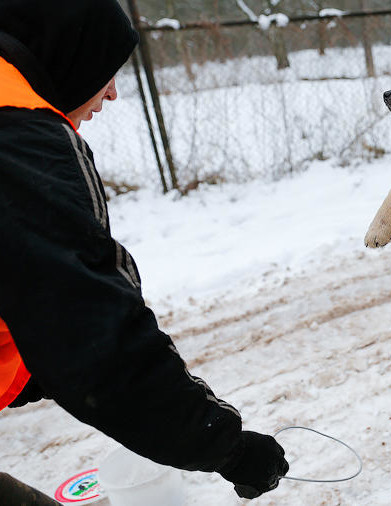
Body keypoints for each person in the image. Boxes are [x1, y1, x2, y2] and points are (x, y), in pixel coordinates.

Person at [0, 0, 288, 500]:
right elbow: (91, 338)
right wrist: (229, 448)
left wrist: (36, 367)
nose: (111, 93)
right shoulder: (18, 132)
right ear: (70, 55)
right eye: (106, 71)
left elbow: (32, 297)